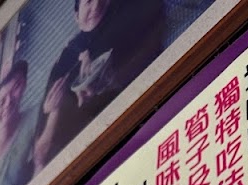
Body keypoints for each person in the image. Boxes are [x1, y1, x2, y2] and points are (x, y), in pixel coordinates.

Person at [33, 0, 165, 173]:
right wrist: (54, 112)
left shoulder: (125, 19)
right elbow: (40, 155)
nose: (96, 5)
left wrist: (110, 81)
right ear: (76, 16)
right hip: (76, 162)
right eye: (88, 1)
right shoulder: (63, 62)